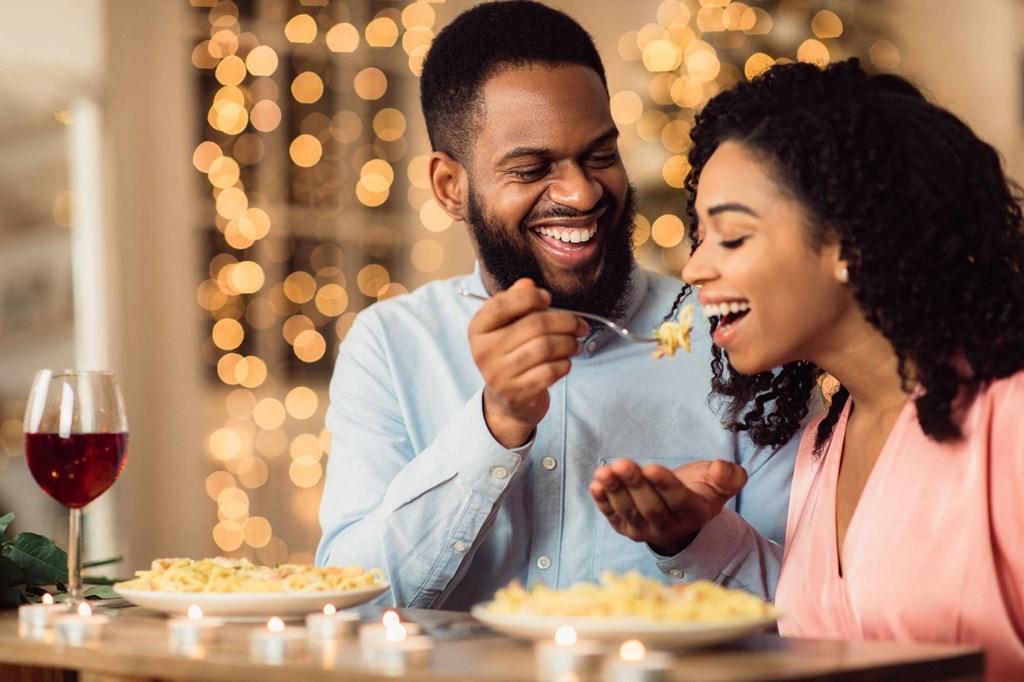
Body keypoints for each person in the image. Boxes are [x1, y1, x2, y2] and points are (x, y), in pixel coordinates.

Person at [316, 0, 796, 611]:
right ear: (449, 187)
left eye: (600, 156)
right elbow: (349, 604)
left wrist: (694, 538)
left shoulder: (733, 330)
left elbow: (812, 609)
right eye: (532, 168)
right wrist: (494, 424)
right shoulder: (390, 345)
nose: (582, 192)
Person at [679, 58, 1024, 679]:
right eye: (698, 238)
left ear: (850, 242)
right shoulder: (822, 445)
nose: (694, 268)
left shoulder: (1011, 414)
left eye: (730, 237)